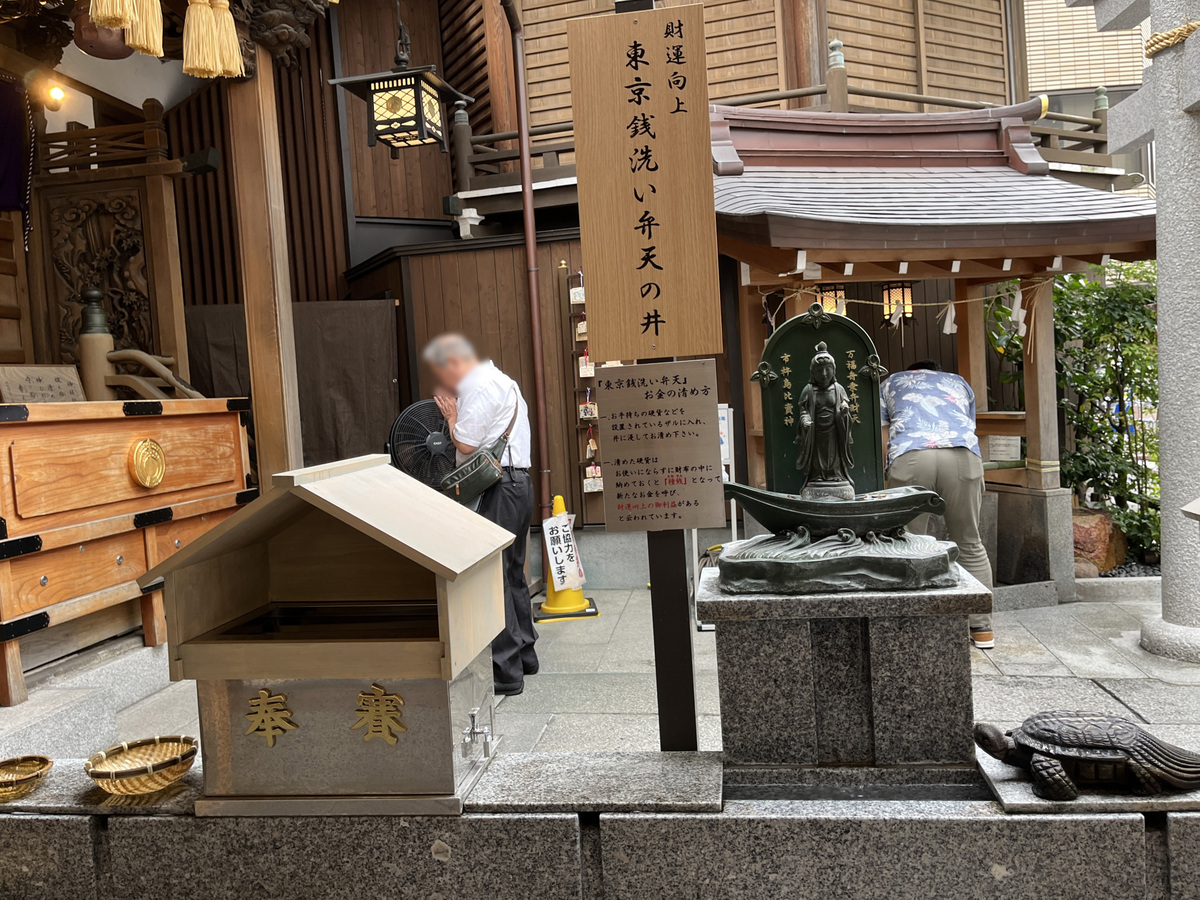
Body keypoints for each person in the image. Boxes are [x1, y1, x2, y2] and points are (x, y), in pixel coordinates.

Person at [424, 333, 538, 695]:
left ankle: (506, 672)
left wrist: (453, 415)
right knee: (513, 571)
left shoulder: (479, 385)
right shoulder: (504, 381)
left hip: (499, 487)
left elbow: (466, 443)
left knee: (495, 577)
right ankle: (526, 655)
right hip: (519, 483)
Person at [880, 359, 995, 649]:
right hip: (962, 457)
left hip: (912, 456)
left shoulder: (890, 382)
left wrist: (889, 473)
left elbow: (882, 436)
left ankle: (913, 626)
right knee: (969, 541)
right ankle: (981, 629)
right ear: (937, 371)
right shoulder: (958, 383)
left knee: (907, 543)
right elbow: (967, 424)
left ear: (911, 370)